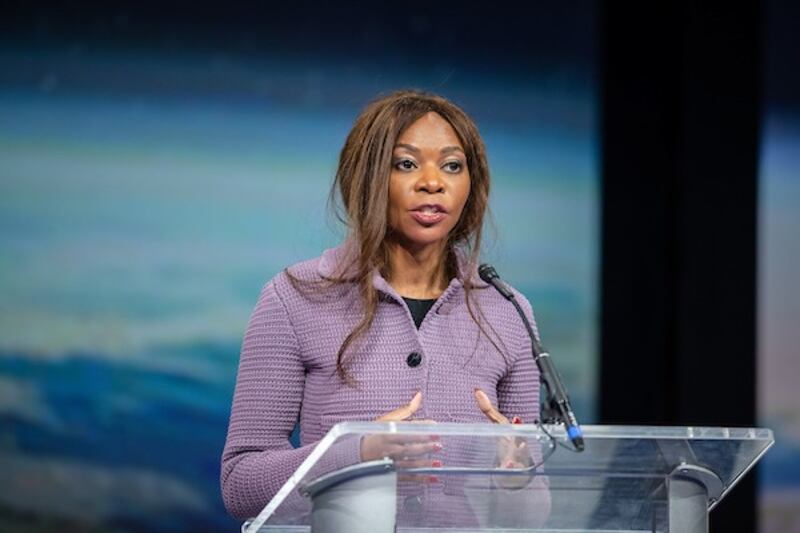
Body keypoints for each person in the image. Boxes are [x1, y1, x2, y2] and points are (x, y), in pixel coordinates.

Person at [221, 90, 545, 522]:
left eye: (452, 165)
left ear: (473, 184)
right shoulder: (294, 298)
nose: (433, 182)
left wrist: (516, 477)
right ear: (367, 176)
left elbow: (532, 514)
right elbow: (241, 484)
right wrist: (358, 452)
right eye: (406, 164)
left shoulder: (508, 311)